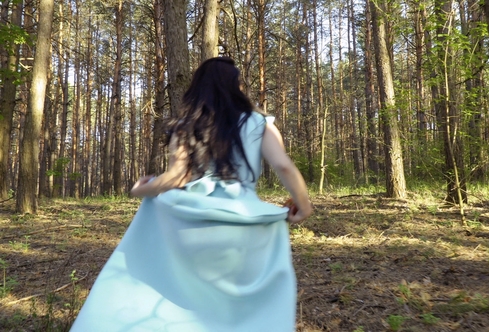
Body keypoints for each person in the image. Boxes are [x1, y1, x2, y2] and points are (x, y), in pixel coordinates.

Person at [71, 57, 312, 332]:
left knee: (162, 255)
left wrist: (142, 189)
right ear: (237, 86)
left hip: (189, 224)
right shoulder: (260, 122)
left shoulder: (187, 125)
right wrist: (303, 206)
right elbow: (283, 165)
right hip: (245, 224)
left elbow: (177, 177)